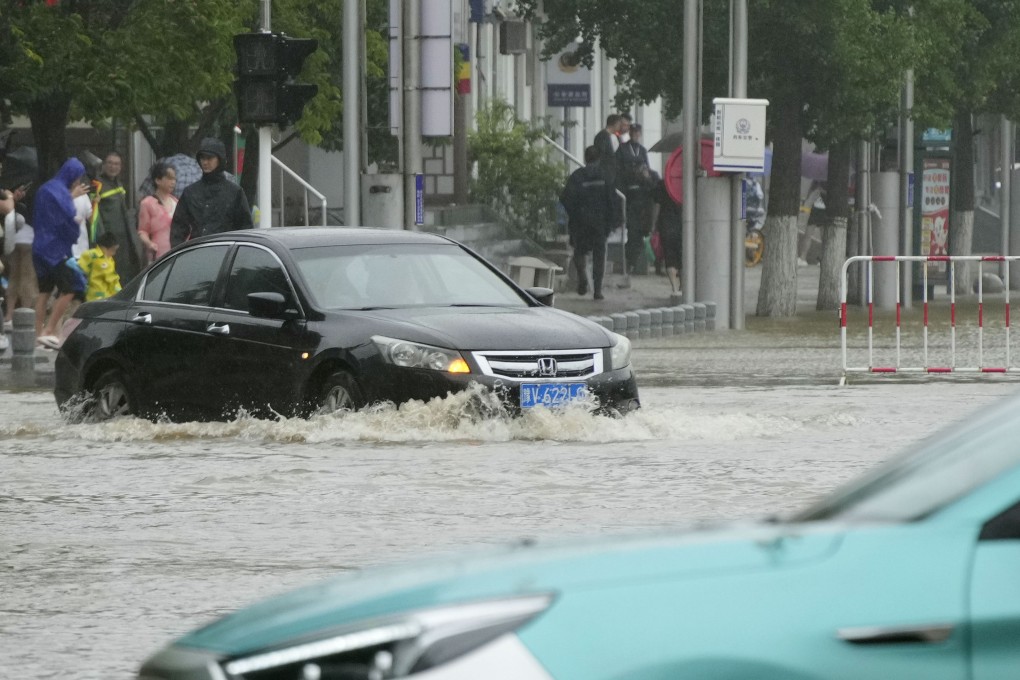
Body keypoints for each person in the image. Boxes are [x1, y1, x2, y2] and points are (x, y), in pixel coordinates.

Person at [33, 157, 89, 345]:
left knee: (44, 291)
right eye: (78, 177)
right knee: (71, 287)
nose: (78, 181)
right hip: (56, 250)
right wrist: (76, 225)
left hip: (39, 247)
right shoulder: (62, 193)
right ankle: (50, 330)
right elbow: (68, 218)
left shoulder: (45, 188)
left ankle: (36, 333)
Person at [560, 146, 619, 300]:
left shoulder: (577, 176)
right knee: (599, 254)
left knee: (579, 251)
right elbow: (612, 200)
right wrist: (612, 222)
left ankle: (582, 277)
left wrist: (574, 214)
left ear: (586, 159)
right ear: (598, 159)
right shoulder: (605, 176)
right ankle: (597, 290)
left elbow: (565, 198)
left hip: (581, 222)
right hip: (600, 223)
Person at [170, 137, 253, 247]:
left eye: (209, 158)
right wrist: (180, 254)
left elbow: (245, 228)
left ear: (220, 159)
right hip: (196, 253)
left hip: (225, 253)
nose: (205, 162)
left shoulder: (234, 192)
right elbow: (178, 227)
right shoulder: (190, 192)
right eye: (202, 158)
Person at [91, 151, 144, 283]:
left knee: (125, 275)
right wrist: (103, 239)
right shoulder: (97, 186)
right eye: (109, 163)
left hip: (124, 239)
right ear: (103, 165)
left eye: (116, 164)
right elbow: (95, 216)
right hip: (108, 238)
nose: (113, 166)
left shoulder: (119, 184)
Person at [616, 123, 653, 275]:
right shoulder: (623, 149)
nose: (636, 135)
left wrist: (644, 175)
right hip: (628, 194)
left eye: (638, 132)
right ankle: (628, 261)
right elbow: (618, 171)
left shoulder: (642, 151)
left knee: (639, 231)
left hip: (641, 196)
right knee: (631, 229)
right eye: (634, 132)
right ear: (630, 133)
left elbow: (647, 170)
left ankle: (633, 260)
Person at [137, 161, 178, 262]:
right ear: (158, 180)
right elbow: (142, 231)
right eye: (169, 178)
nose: (173, 182)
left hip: (177, 252)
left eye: (174, 179)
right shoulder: (147, 203)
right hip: (158, 256)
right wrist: (149, 244)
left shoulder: (177, 202)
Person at [650, 176, 683, 294]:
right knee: (683, 257)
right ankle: (683, 288)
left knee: (670, 256)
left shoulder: (662, 184)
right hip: (684, 223)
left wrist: (653, 225)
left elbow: (657, 206)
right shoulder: (687, 181)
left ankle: (674, 288)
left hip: (666, 224)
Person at [78, 231, 122, 302]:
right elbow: (80, 269)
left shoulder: (110, 260)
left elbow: (113, 280)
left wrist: (119, 293)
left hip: (108, 296)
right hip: (94, 296)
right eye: (113, 250)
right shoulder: (92, 255)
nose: (114, 253)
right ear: (105, 248)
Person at [593, 114, 623, 187]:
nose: (620, 126)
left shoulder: (615, 136)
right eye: (619, 124)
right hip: (605, 170)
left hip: (613, 171)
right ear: (615, 123)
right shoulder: (602, 136)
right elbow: (601, 153)